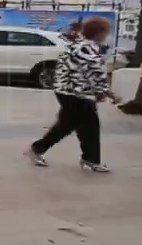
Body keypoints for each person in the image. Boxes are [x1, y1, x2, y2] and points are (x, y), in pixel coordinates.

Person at [28, 18, 116, 171]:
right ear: (99, 33)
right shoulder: (86, 48)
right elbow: (95, 73)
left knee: (81, 125)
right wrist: (103, 92)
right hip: (75, 93)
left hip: (69, 91)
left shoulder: (77, 45)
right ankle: (38, 149)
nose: (106, 36)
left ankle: (90, 158)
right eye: (105, 32)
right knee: (72, 125)